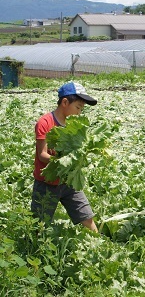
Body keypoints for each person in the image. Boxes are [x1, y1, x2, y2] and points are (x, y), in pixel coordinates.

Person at [31, 81, 99, 232]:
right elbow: (42, 155)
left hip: (69, 181)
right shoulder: (45, 122)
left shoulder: (75, 125)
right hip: (46, 183)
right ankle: (34, 250)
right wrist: (65, 161)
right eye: (78, 108)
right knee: (40, 223)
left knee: (86, 215)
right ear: (65, 102)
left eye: (82, 109)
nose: (79, 113)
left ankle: (98, 244)